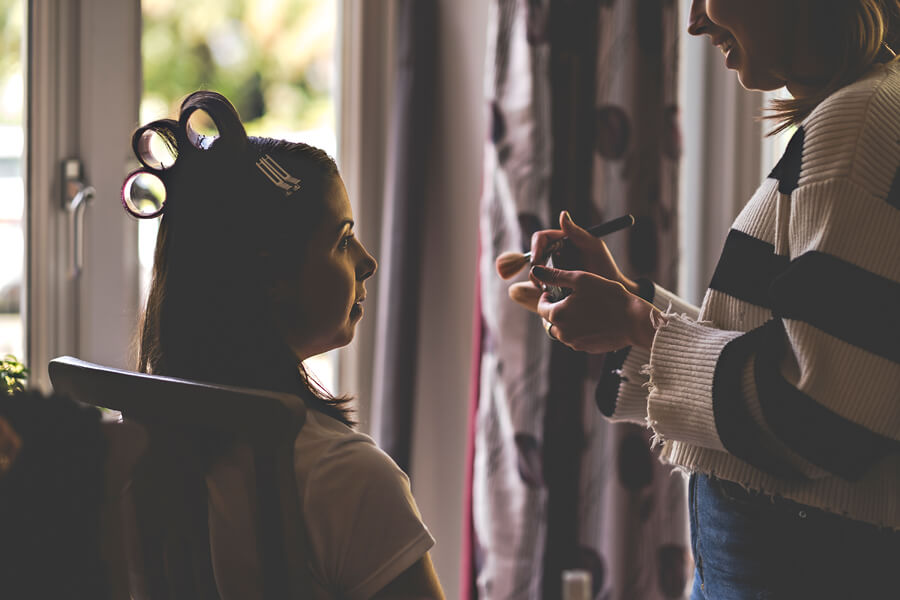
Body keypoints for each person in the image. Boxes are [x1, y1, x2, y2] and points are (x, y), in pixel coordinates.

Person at [507, 1, 900, 598]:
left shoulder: (860, 121)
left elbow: (821, 416)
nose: (694, 22)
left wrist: (640, 324)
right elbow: (819, 365)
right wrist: (632, 309)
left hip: (800, 562)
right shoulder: (863, 110)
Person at [127, 90, 444, 600]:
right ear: (271, 274)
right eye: (342, 240)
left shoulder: (131, 447)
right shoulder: (347, 479)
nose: (368, 262)